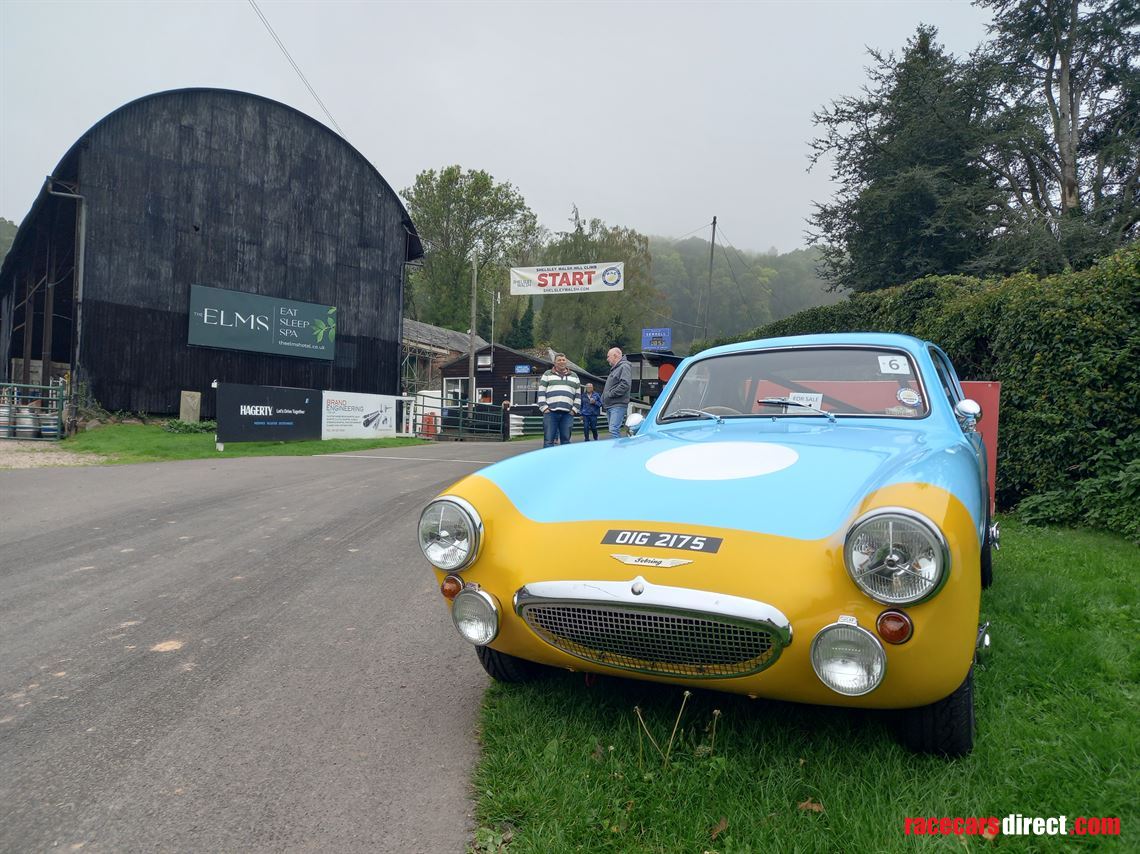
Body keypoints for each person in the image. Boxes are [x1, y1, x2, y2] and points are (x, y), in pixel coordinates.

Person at [538, 353, 580, 447]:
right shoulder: (547, 374)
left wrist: (574, 410)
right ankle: (549, 461)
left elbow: (578, 395)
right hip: (550, 412)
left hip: (567, 413)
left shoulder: (574, 376)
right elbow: (541, 392)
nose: (562, 362)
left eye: (563, 360)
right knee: (549, 440)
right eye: (559, 360)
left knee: (566, 441)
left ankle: (564, 461)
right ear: (555, 362)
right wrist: (544, 408)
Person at [601, 346, 631, 439]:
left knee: (613, 429)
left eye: (608, 356)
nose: (607, 359)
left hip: (617, 404)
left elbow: (625, 384)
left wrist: (610, 394)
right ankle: (617, 449)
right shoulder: (616, 368)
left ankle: (618, 451)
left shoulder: (624, 366)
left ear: (615, 356)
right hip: (611, 405)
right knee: (612, 429)